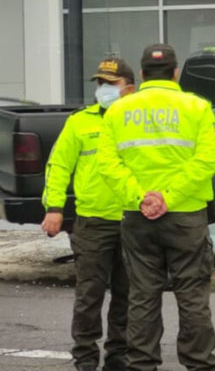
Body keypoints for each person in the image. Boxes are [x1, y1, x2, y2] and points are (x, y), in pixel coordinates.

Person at [96, 44, 215, 371]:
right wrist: (169, 196)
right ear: (176, 72)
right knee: (192, 296)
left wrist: (142, 197)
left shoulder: (118, 112)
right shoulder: (197, 107)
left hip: (138, 218)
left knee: (142, 297)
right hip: (186, 217)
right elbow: (207, 160)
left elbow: (108, 164)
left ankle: (141, 365)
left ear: (140, 75)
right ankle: (199, 365)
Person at [41, 58, 136, 371]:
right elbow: (59, 165)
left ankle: (118, 355)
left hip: (134, 220)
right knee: (89, 295)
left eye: (112, 83)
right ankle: (84, 357)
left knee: (129, 294)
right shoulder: (80, 122)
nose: (104, 89)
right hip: (93, 221)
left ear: (129, 87)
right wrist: (54, 208)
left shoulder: (139, 120)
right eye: (101, 83)